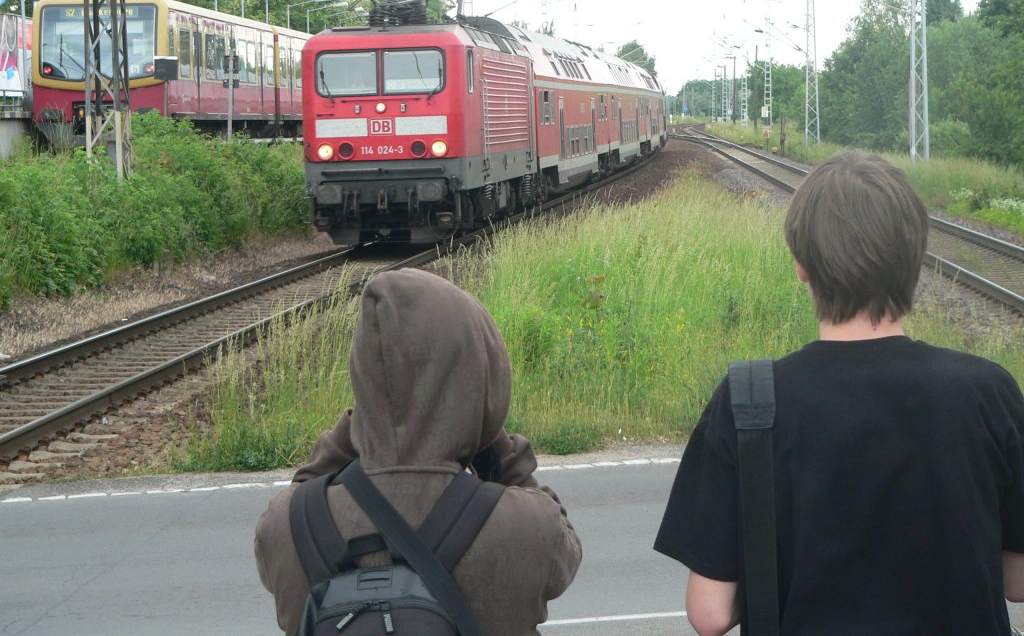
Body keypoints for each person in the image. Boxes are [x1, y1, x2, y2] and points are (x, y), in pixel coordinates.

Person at [654, 150, 1024, 635]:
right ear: (916, 261)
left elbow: (710, 614)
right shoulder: (988, 392)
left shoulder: (748, 401)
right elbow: (1016, 580)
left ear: (802, 266)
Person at [255, 268, 582, 635]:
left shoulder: (286, 525)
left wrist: (363, 424)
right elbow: (566, 554)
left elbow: (304, 488)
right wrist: (499, 448)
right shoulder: (527, 526)